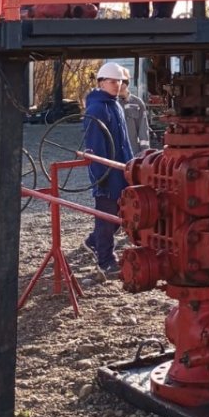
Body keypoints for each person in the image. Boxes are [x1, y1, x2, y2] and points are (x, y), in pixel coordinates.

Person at [81, 62, 133, 274]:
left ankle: (94, 241)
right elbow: (95, 146)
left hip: (120, 170)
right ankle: (105, 260)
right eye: (112, 81)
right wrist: (101, 177)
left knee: (121, 215)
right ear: (101, 83)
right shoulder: (96, 109)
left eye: (119, 81)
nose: (117, 85)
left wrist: (130, 167)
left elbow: (125, 142)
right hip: (107, 174)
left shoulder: (115, 105)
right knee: (106, 217)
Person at [118, 67, 151, 152]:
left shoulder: (137, 103)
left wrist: (145, 152)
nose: (119, 85)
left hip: (133, 152)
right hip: (115, 153)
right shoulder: (111, 104)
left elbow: (143, 130)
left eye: (122, 82)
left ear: (127, 83)